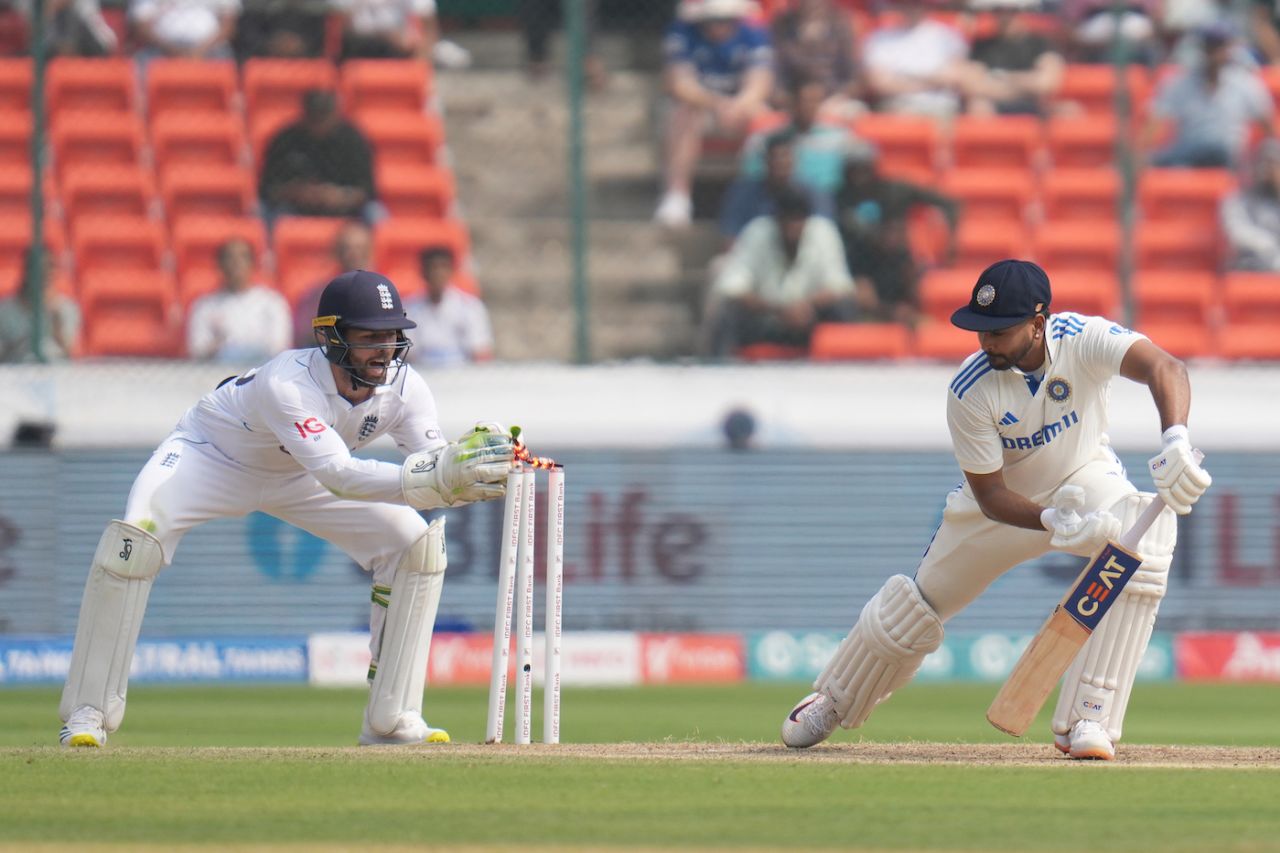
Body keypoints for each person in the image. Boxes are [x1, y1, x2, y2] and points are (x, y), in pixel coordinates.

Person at [57, 270, 520, 749]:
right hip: (211, 457)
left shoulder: (406, 387)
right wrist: (440, 477)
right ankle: (89, 713)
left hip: (299, 474)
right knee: (133, 542)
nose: (385, 350)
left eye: (391, 336)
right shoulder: (288, 383)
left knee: (415, 547)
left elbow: (433, 463)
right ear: (332, 337)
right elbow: (340, 475)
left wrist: (462, 470)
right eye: (369, 338)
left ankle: (392, 720)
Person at [781, 259, 1213, 761]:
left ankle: (1091, 716)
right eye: (981, 330)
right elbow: (989, 494)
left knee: (1146, 541)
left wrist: (1175, 440)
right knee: (916, 608)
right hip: (999, 508)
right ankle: (834, 699)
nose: (987, 342)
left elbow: (1166, 367)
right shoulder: (970, 389)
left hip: (1084, 478)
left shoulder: (1083, 338)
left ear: (1038, 323)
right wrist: (1049, 520)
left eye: (1000, 331)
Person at [705, 185, 867, 357]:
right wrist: (778, 310)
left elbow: (840, 286)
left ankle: (844, 367)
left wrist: (807, 306)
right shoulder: (758, 231)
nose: (792, 226)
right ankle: (721, 367)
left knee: (844, 307)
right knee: (728, 311)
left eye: (797, 219)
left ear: (807, 220)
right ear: (776, 219)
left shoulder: (823, 232)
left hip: (810, 321)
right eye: (787, 218)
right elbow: (732, 287)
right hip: (768, 319)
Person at [655, 0, 775, 228]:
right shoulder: (683, 32)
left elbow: (760, 83)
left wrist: (738, 105)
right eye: (711, 20)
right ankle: (677, 196)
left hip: (740, 108)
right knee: (682, 113)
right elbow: (679, 83)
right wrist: (716, 104)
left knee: (766, 121)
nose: (717, 26)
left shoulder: (753, 33)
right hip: (702, 108)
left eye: (724, 20)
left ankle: (758, 198)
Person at [835, 140, 959, 325]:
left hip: (899, 267)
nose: (859, 177)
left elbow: (949, 203)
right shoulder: (839, 200)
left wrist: (950, 241)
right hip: (858, 269)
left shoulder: (895, 191)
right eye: (853, 170)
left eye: (863, 169)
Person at [1141, 22, 1275, 169]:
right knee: (1161, 159)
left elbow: (1269, 129)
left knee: (1218, 148)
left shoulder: (1245, 83)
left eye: (1219, 46)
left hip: (1231, 159)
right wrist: (1143, 154)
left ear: (1229, 48)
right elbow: (1154, 125)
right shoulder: (1180, 83)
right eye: (1210, 46)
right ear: (1202, 49)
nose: (1214, 53)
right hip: (1189, 158)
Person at [259, 89, 380, 226]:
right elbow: (267, 189)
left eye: (324, 118)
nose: (320, 125)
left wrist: (340, 196)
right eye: (315, 118)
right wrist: (296, 192)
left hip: (345, 209)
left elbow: (367, 191)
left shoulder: (353, 141)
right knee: (260, 211)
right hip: (292, 208)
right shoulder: (285, 140)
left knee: (375, 213)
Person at [738, 78, 853, 196]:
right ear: (791, 102)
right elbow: (752, 176)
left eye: (815, 101)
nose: (810, 106)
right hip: (779, 199)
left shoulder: (838, 138)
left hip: (828, 198)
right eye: (805, 101)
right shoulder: (768, 139)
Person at [186, 238, 291, 362]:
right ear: (220, 264)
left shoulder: (272, 303)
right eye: (229, 258)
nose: (236, 264)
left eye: (242, 257)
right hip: (217, 371)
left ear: (252, 264)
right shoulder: (205, 306)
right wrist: (222, 350)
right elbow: (198, 350)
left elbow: (279, 348)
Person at [718, 132, 834, 243]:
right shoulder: (743, 193)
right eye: (774, 157)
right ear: (765, 160)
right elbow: (730, 238)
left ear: (795, 160)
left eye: (785, 156)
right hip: (754, 254)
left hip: (803, 254)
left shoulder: (814, 194)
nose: (780, 162)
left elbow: (825, 236)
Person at [861, 0, 968, 118]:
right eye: (907, 3)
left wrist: (903, 79)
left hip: (942, 109)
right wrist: (932, 81)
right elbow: (879, 84)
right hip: (896, 109)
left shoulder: (947, 36)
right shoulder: (879, 38)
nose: (912, 7)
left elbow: (955, 77)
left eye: (916, 3)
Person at [960, 0, 1065, 117]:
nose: (1005, 16)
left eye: (1012, 11)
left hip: (1031, 107)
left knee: (1067, 111)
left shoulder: (1039, 43)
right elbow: (971, 85)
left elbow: (1046, 83)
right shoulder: (982, 46)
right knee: (978, 106)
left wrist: (1002, 79)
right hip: (995, 105)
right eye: (999, 10)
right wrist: (1022, 85)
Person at [768, 0, 865, 118]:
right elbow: (776, 72)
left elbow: (853, 78)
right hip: (792, 102)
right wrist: (793, 103)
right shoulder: (782, 25)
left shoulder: (841, 24)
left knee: (855, 113)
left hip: (834, 99)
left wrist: (834, 100)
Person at [404, 246, 495, 367]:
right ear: (423, 272)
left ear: (451, 271)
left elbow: (480, 352)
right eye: (433, 268)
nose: (438, 273)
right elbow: (407, 354)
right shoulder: (410, 309)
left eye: (443, 267)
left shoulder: (470, 307)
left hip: (463, 373)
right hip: (422, 372)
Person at [292, 220, 373, 348]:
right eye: (347, 248)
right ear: (337, 252)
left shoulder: (383, 292)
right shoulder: (318, 295)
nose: (354, 254)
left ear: (370, 251)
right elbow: (305, 335)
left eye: (360, 248)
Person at [0, 251, 80, 363]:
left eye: (49, 269)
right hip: (18, 367)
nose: (45, 275)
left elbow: (68, 351)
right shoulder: (6, 310)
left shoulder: (66, 308)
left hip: (55, 367)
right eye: (38, 270)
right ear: (27, 272)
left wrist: (56, 325)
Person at [1221, 138, 1280, 272]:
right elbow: (1236, 232)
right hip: (1251, 266)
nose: (1267, 170)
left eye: (1274, 164)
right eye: (1264, 163)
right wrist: (1268, 246)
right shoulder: (1237, 200)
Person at [129, 0, 239, 62]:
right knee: (139, 63)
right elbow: (142, 26)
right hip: (160, 48)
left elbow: (228, 26)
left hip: (211, 48)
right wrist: (172, 50)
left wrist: (199, 51)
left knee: (226, 62)